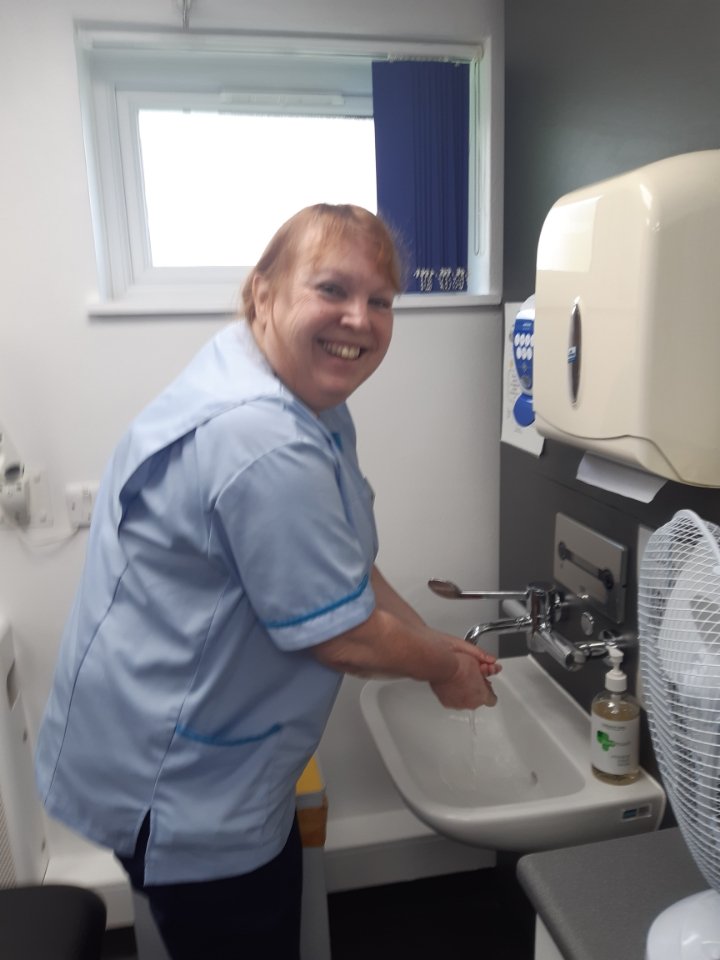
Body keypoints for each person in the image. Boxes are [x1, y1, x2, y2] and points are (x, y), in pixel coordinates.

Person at [35, 203, 499, 960]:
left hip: (184, 758)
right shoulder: (262, 436)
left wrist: (426, 637)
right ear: (263, 294)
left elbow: (339, 557)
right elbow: (343, 636)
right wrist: (444, 668)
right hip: (182, 791)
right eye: (332, 289)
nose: (360, 318)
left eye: (380, 300)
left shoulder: (289, 386)